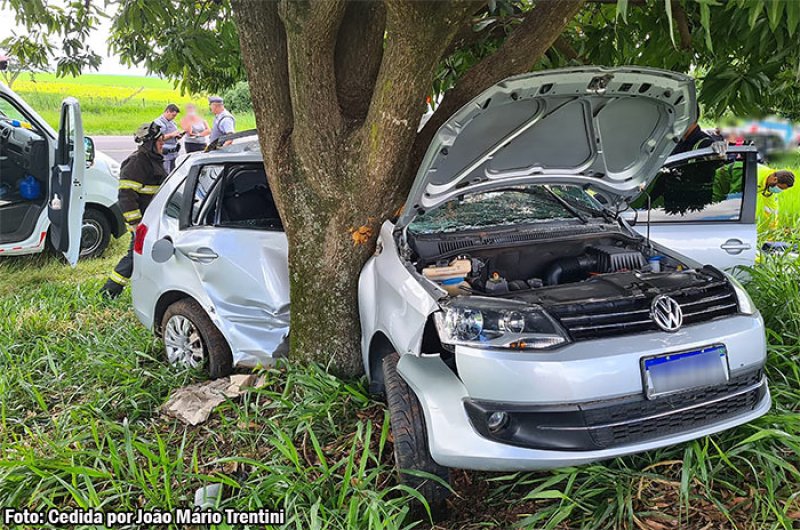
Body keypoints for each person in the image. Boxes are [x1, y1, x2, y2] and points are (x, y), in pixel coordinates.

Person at [99, 123, 167, 299]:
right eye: (160, 140)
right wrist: (136, 224)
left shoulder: (152, 159)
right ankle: (108, 292)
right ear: (150, 142)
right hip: (142, 222)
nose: (163, 143)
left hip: (153, 220)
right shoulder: (137, 162)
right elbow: (126, 197)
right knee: (133, 258)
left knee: (148, 258)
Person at [757, 167, 795, 231]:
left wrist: (773, 230)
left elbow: (772, 210)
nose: (779, 190)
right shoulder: (756, 176)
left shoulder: (770, 186)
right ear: (775, 179)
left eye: (782, 189)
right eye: (780, 187)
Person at [154, 104, 183, 173]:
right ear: (167, 111)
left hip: (174, 153)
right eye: (173, 115)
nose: (174, 117)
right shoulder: (158, 123)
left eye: (175, 116)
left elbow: (172, 136)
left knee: (174, 174)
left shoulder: (172, 122)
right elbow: (156, 138)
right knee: (166, 174)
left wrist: (177, 136)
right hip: (165, 155)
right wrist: (172, 135)